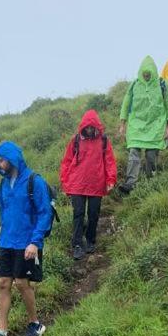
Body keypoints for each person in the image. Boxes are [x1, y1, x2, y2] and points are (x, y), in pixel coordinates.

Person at [0, 141, 54, 336]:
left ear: (12, 159)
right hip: (7, 242)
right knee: (3, 283)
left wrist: (35, 241)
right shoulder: (4, 185)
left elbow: (44, 213)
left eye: (2, 160)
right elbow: (3, 211)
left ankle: (35, 324)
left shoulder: (34, 181)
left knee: (22, 283)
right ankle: (1, 331)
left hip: (27, 243)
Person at [59, 109, 117, 260]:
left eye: (93, 128)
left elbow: (109, 161)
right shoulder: (76, 140)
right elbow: (66, 162)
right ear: (83, 127)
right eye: (88, 128)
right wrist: (65, 183)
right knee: (78, 214)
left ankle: (91, 240)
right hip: (77, 184)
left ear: (97, 127)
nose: (90, 130)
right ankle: (77, 244)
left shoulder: (104, 140)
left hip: (96, 184)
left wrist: (111, 179)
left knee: (93, 214)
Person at [117, 56, 168, 194]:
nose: (147, 76)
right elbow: (126, 103)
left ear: (154, 72)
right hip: (137, 125)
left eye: (149, 74)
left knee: (150, 155)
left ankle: (151, 181)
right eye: (144, 74)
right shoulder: (135, 84)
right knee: (134, 153)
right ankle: (130, 183)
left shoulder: (162, 84)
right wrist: (123, 123)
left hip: (156, 125)